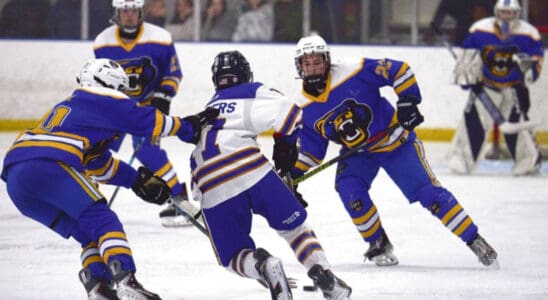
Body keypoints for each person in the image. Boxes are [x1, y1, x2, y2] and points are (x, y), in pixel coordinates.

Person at [0, 58, 217, 299]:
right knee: (102, 219)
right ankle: (126, 281)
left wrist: (135, 180)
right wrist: (189, 126)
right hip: (49, 164)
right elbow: (148, 121)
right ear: (110, 83)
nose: (125, 94)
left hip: (18, 181)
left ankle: (99, 285)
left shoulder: (75, 108)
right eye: (122, 89)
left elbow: (97, 163)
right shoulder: (104, 98)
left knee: (88, 232)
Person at [276, 34, 498, 268]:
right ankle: (378, 243)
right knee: (349, 189)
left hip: (395, 142)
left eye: (317, 61)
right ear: (299, 66)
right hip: (359, 152)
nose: (313, 68)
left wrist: (407, 101)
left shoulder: (354, 70)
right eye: (307, 63)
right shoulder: (302, 106)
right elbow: (312, 150)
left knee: (429, 194)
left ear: (327, 60)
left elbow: (400, 70)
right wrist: (293, 174)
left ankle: (474, 240)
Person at [190, 50, 352, 300]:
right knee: (295, 228)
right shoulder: (251, 90)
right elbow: (291, 114)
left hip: (208, 182)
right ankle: (323, 274)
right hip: (251, 168)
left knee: (233, 255)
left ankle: (263, 265)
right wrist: (285, 146)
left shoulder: (208, 109)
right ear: (245, 74)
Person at [94, 0, 194, 227]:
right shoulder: (102, 42)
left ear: (140, 12)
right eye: (124, 10)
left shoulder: (160, 38)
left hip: (146, 107)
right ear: (116, 13)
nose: (128, 15)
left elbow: (173, 73)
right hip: (115, 107)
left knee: (148, 152)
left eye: (133, 10)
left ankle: (179, 198)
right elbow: (97, 77)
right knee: (96, 150)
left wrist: (164, 95)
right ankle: (89, 199)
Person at [448, 0, 544, 176]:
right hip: (485, 86)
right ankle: (461, 161)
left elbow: (537, 58)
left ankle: (528, 162)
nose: (506, 17)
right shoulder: (480, 28)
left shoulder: (529, 32)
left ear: (517, 13)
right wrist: (466, 74)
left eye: (510, 13)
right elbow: (467, 52)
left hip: (514, 88)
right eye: (502, 12)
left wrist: (530, 72)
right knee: (473, 122)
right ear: (496, 11)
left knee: (517, 126)